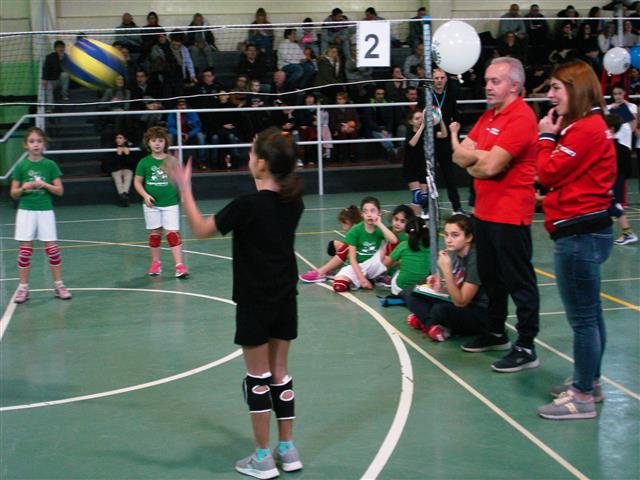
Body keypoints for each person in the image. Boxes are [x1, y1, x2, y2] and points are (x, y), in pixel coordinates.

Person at [168, 127, 305, 479]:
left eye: (251, 154)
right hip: (285, 297)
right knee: (280, 373)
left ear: (261, 164)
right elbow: (267, 191)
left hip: (254, 300)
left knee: (257, 378)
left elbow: (200, 229)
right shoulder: (294, 201)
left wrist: (185, 190)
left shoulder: (247, 205)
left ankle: (262, 458)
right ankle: (288, 450)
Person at [535, 60, 616, 420]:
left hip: (579, 233)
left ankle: (581, 396)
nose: (550, 95)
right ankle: (590, 382)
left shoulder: (584, 130)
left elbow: (547, 172)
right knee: (591, 314)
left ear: (576, 89)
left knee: (583, 319)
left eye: (557, 88)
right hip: (588, 229)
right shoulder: (588, 127)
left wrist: (545, 138)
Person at [449, 57, 540, 373]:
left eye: (495, 81)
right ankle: (496, 331)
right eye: (487, 80)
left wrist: (479, 160)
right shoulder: (489, 116)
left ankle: (526, 346)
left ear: (514, 86)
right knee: (490, 277)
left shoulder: (522, 118)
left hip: (510, 214)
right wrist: (481, 158)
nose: (487, 86)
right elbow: (459, 156)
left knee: (519, 281)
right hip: (484, 212)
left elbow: (488, 166)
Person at [10, 127, 71, 304]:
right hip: (26, 211)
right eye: (32, 141)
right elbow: (13, 193)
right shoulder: (21, 166)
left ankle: (59, 285)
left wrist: (45, 185)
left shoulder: (50, 165)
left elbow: (59, 191)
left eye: (39, 141)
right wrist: (23, 188)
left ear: (44, 144)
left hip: (45, 211)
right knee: (25, 252)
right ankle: (23, 287)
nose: (35, 145)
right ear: (26, 145)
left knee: (53, 251)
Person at [405, 214, 488, 342]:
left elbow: (461, 301)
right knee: (412, 294)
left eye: (455, 235)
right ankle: (433, 326)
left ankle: (428, 323)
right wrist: (440, 286)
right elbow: (455, 288)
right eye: (447, 235)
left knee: (440, 310)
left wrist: (446, 271)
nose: (448, 240)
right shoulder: (455, 253)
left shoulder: (475, 259)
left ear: (469, 237)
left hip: (479, 311)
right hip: (460, 304)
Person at [133, 126, 189, 278]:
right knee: (155, 234)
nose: (157, 143)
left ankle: (179, 265)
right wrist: (145, 195)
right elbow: (137, 182)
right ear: (148, 143)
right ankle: (156, 263)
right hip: (152, 205)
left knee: (172, 234)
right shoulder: (144, 162)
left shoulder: (172, 161)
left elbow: (181, 180)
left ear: (165, 143)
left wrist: (184, 195)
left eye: (160, 140)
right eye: (153, 141)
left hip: (170, 202)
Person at [332, 196, 398, 292]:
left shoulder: (379, 228)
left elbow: (394, 241)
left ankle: (378, 276)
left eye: (372, 211)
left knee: (390, 245)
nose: (369, 214)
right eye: (365, 211)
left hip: (374, 264)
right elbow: (352, 259)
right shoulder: (355, 231)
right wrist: (362, 279)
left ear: (379, 213)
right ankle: (371, 278)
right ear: (362, 214)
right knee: (339, 286)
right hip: (358, 266)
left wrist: (379, 224)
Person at [299, 205, 363, 282]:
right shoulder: (356, 228)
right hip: (357, 253)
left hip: (361, 258)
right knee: (333, 244)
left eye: (343, 223)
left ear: (348, 222)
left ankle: (321, 272)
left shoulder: (357, 230)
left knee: (345, 248)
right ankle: (330, 270)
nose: (342, 227)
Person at [432, 68, 463, 214]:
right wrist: (433, 133)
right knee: (429, 177)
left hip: (445, 142)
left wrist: (454, 130)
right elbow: (419, 118)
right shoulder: (427, 96)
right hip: (430, 142)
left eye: (442, 78)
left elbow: (456, 118)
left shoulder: (450, 97)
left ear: (446, 80)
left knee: (449, 175)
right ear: (432, 80)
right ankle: (428, 208)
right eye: (436, 78)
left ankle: (456, 207)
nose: (439, 80)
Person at [605, 115, 639, 246]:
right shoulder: (623, 148)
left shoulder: (607, 147)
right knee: (611, 205)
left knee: (612, 205)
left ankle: (628, 232)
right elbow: (628, 170)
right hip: (617, 181)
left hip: (610, 182)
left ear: (611, 128)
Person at [384, 214, 430, 296]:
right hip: (421, 289)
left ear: (407, 233)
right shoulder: (430, 247)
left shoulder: (404, 245)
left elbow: (386, 263)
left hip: (400, 288)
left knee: (400, 268)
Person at [167, 98, 207, 169]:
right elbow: (170, 127)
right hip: (177, 135)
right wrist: (180, 134)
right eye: (180, 105)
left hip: (190, 135)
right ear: (177, 106)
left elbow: (198, 127)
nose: (182, 107)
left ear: (186, 105)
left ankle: (201, 161)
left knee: (201, 136)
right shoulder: (172, 113)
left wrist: (189, 134)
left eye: (183, 105)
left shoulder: (191, 112)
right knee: (169, 136)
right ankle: (172, 162)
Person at [360, 87, 397, 161]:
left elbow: (390, 120)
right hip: (374, 129)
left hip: (385, 128)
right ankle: (393, 151)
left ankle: (391, 152)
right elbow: (369, 121)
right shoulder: (369, 104)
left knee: (386, 136)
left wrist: (387, 130)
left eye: (382, 94)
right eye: (378, 94)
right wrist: (380, 130)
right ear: (374, 94)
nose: (381, 96)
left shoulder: (387, 104)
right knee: (383, 136)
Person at [103, 132, 138, 206]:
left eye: (120, 138)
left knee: (128, 175)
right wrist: (118, 155)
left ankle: (123, 195)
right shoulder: (112, 147)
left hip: (126, 169)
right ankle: (123, 196)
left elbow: (132, 163)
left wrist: (127, 154)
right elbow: (111, 163)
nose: (118, 140)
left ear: (125, 139)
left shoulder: (130, 146)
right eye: (117, 138)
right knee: (117, 178)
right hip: (116, 169)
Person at [329, 91, 360, 163]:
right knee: (342, 135)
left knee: (353, 134)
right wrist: (340, 128)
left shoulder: (351, 108)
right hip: (340, 129)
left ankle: (353, 155)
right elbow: (332, 123)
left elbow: (357, 121)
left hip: (351, 127)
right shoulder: (333, 109)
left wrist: (353, 128)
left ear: (345, 100)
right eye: (337, 99)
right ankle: (341, 156)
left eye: (340, 99)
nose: (338, 100)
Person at [41, 40, 70, 110]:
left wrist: (62, 59)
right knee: (48, 85)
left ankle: (64, 95)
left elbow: (67, 69)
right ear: (55, 48)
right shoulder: (50, 57)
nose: (61, 49)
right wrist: (43, 79)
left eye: (62, 47)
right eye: (59, 47)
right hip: (52, 81)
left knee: (65, 75)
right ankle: (50, 107)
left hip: (60, 80)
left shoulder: (66, 57)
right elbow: (45, 68)